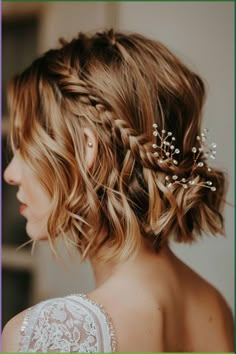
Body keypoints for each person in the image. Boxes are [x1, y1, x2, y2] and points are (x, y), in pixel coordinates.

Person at [2, 29, 234, 352]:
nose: (10, 173)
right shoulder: (216, 309)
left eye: (26, 145)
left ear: (86, 148)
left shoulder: (42, 336)